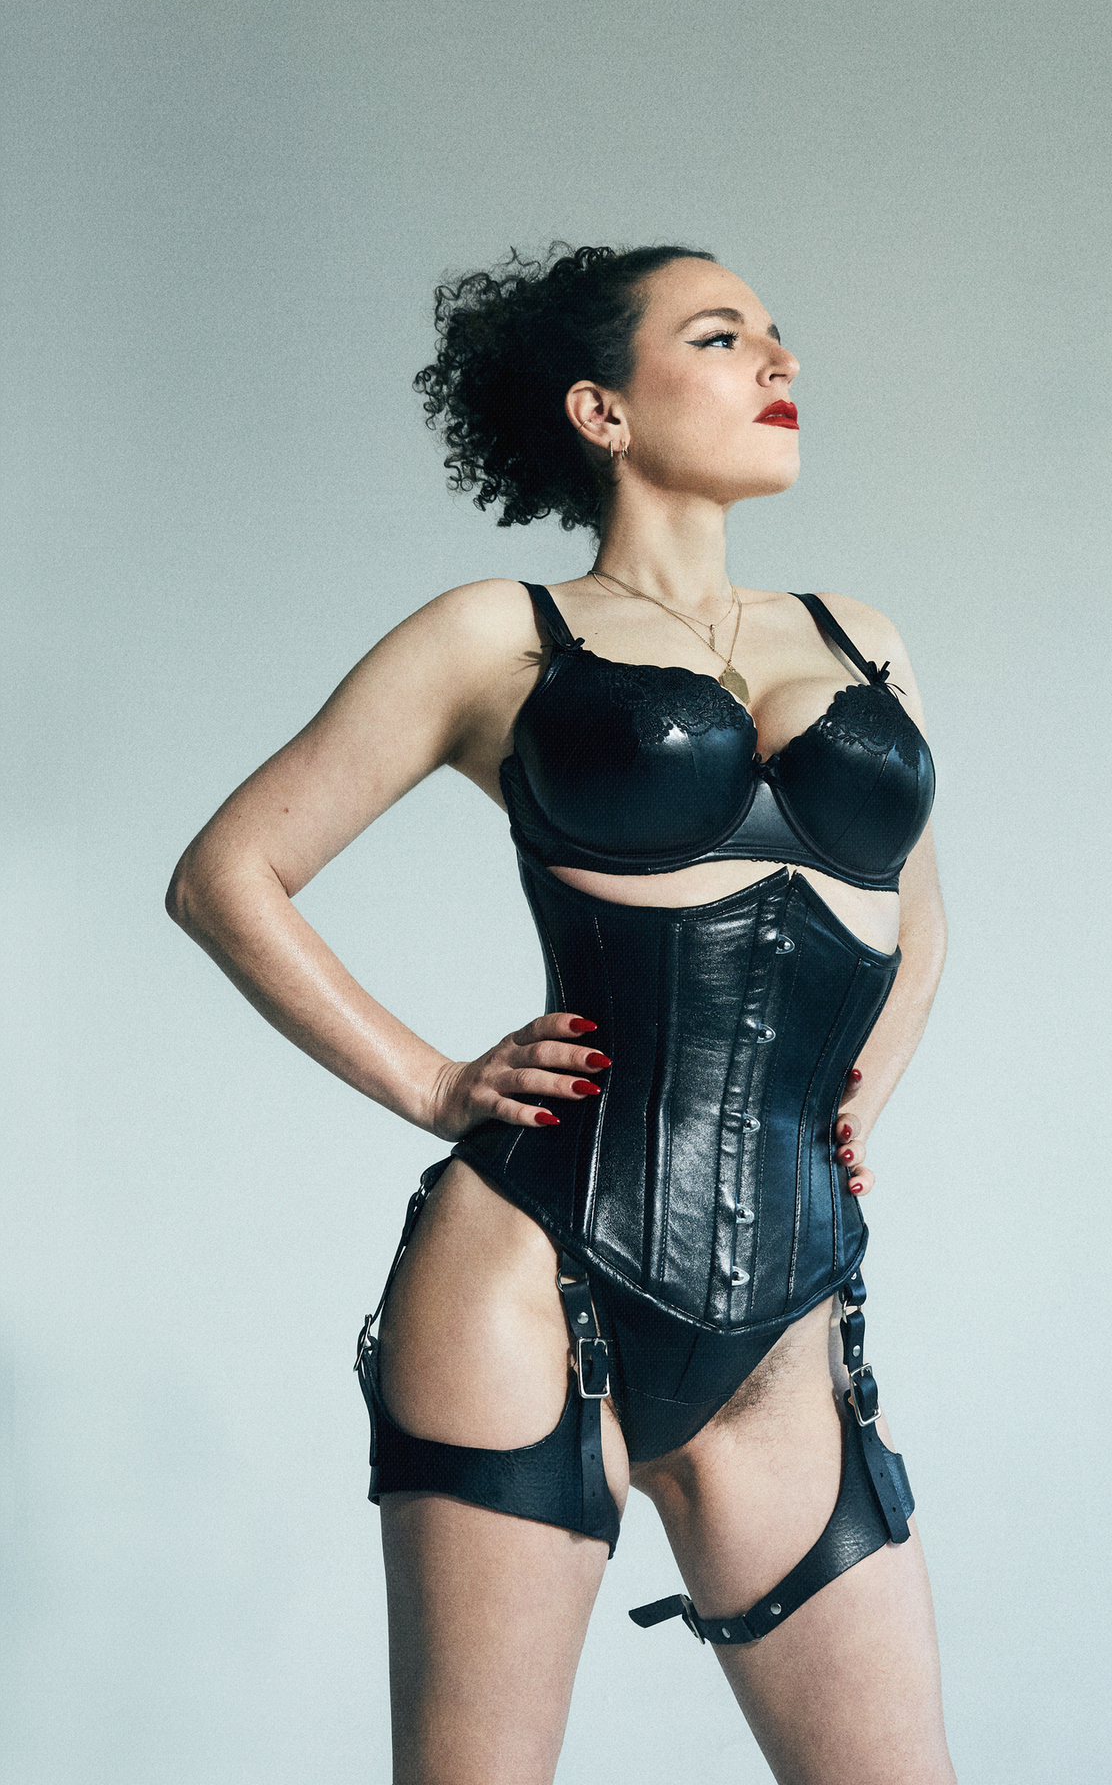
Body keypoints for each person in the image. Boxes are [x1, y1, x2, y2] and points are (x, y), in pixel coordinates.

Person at [167, 242, 955, 1785]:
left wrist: (858, 1094)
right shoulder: (499, 633)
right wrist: (430, 1082)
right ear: (603, 409)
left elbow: (915, 918)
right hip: (534, 1278)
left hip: (791, 1308)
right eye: (721, 338)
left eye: (779, 335)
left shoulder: (860, 638)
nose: (779, 363)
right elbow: (227, 876)